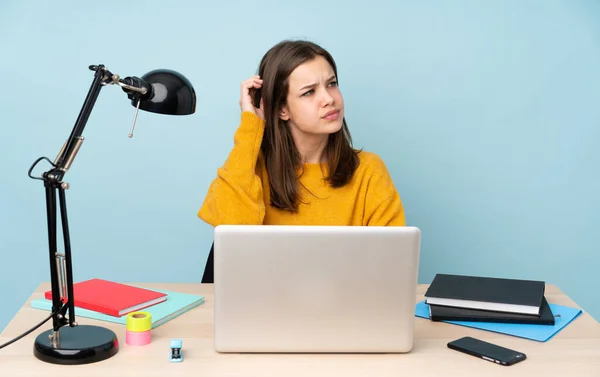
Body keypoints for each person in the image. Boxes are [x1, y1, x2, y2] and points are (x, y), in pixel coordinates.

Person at [198, 39, 405, 227]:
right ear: (282, 109)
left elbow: (392, 259)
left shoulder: (369, 171)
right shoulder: (252, 170)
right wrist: (250, 126)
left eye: (331, 84)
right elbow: (230, 231)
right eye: (309, 92)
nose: (329, 99)